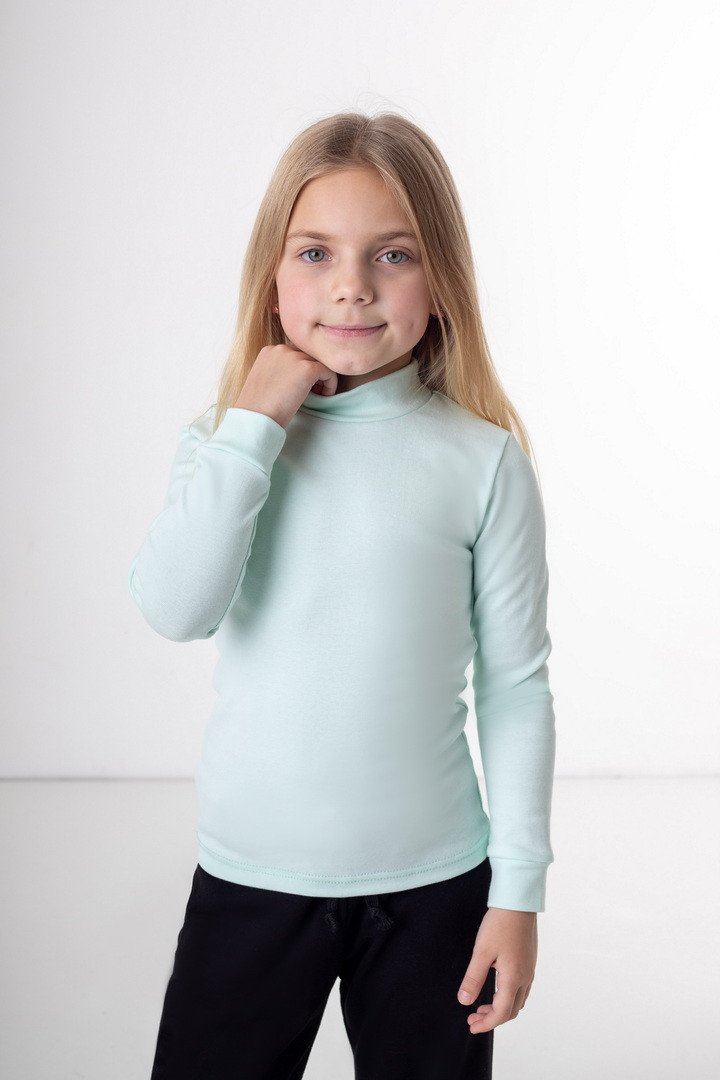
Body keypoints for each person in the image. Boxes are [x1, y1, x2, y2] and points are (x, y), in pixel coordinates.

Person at [128, 109, 556, 1080]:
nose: (352, 285)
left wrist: (519, 892)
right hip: (250, 877)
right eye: (316, 252)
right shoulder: (225, 442)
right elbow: (176, 608)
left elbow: (516, 686)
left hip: (436, 892)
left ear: (441, 280)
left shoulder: (483, 461)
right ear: (272, 278)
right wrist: (254, 424)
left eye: (393, 254)